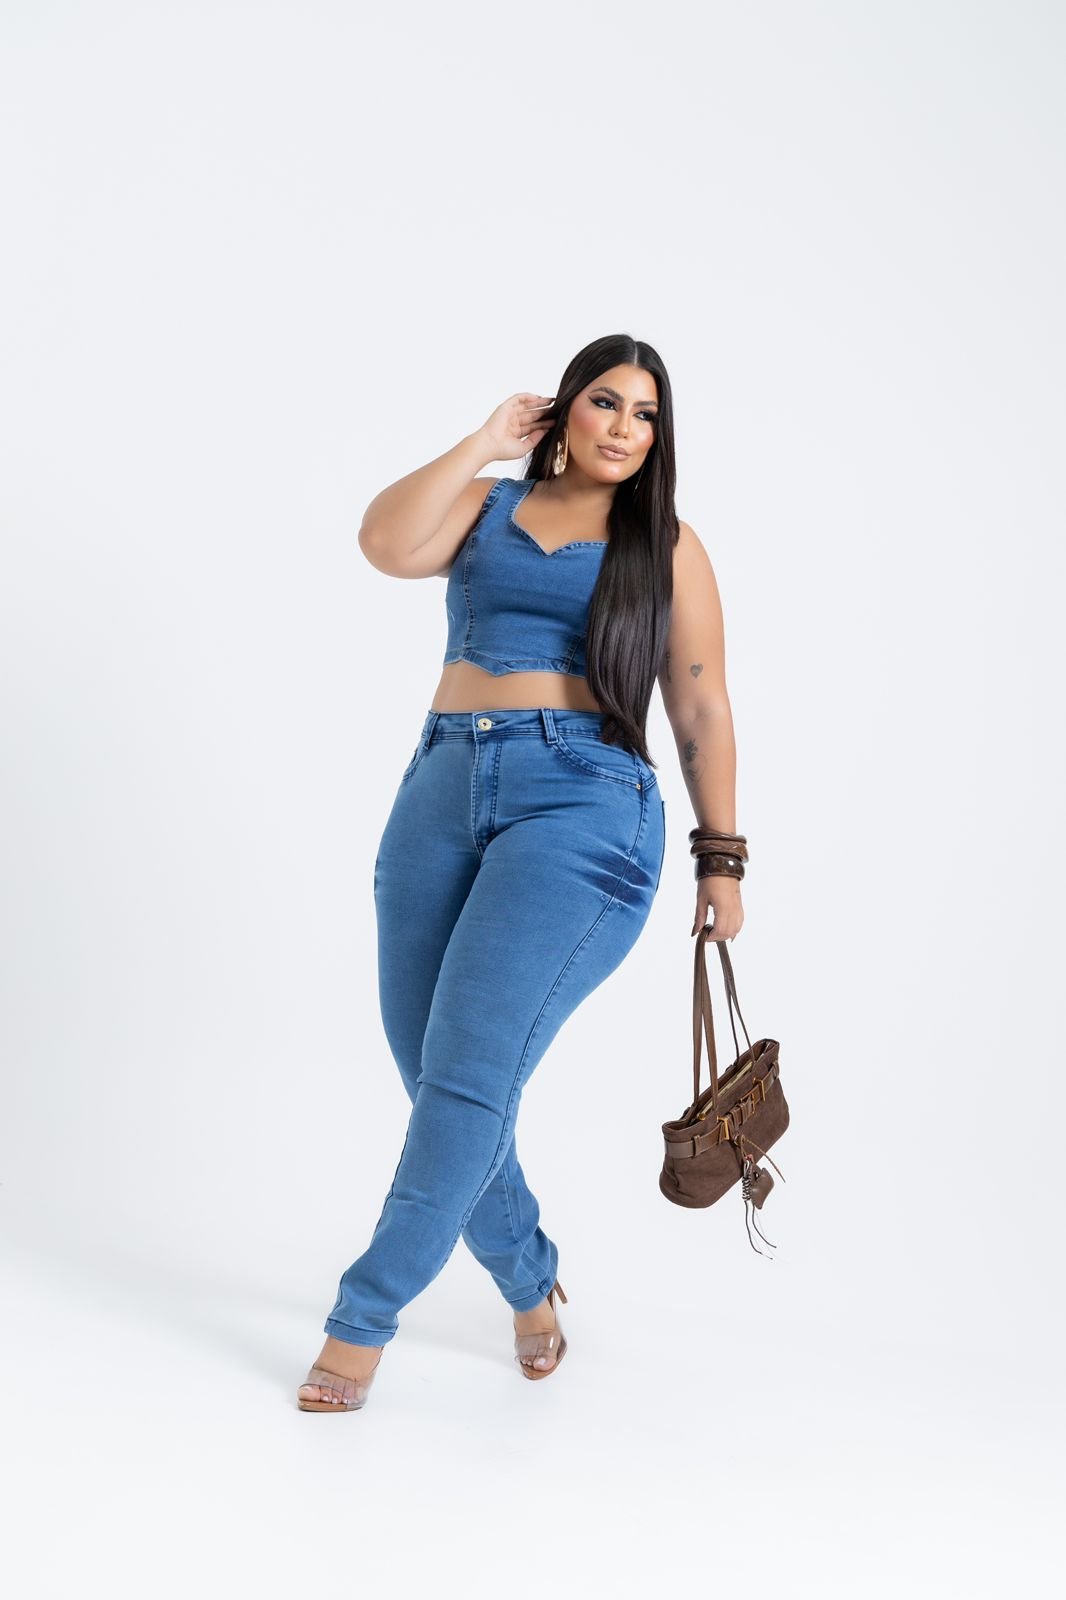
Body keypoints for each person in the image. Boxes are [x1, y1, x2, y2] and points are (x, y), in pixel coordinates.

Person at [297, 332, 745, 1412]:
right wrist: (481, 442)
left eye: (646, 414)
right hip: (440, 789)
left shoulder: (665, 545)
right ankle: (530, 1279)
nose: (624, 428)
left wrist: (720, 859)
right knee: (438, 1074)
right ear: (564, 407)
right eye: (606, 402)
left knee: (463, 1079)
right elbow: (384, 543)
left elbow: (698, 703)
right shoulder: (489, 506)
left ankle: (361, 1320)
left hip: (583, 805)